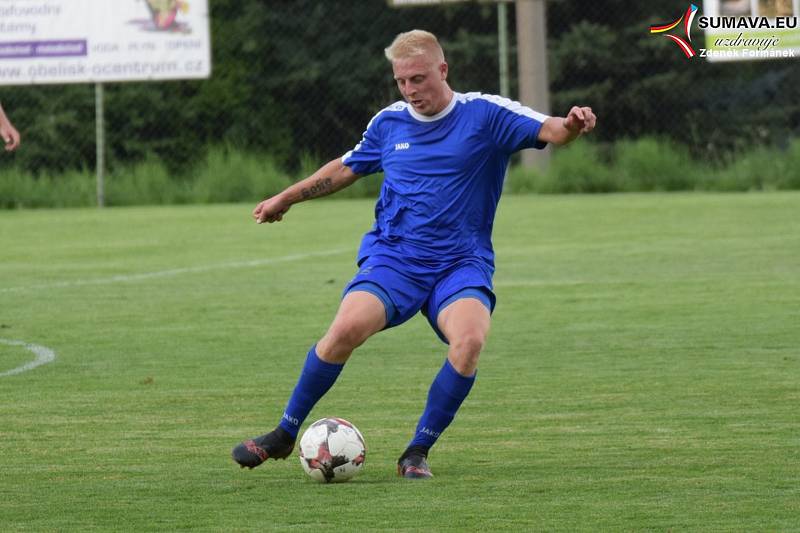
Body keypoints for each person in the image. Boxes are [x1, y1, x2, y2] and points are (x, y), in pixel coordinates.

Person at [232, 29, 596, 478]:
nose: (409, 90)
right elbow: (347, 167)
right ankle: (285, 434)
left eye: (418, 79)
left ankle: (417, 452)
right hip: (395, 260)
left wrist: (574, 125)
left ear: (443, 71)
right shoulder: (390, 122)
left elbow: (553, 129)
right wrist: (286, 197)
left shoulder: (485, 114)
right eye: (401, 81)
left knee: (470, 342)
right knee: (345, 328)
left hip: (460, 264)